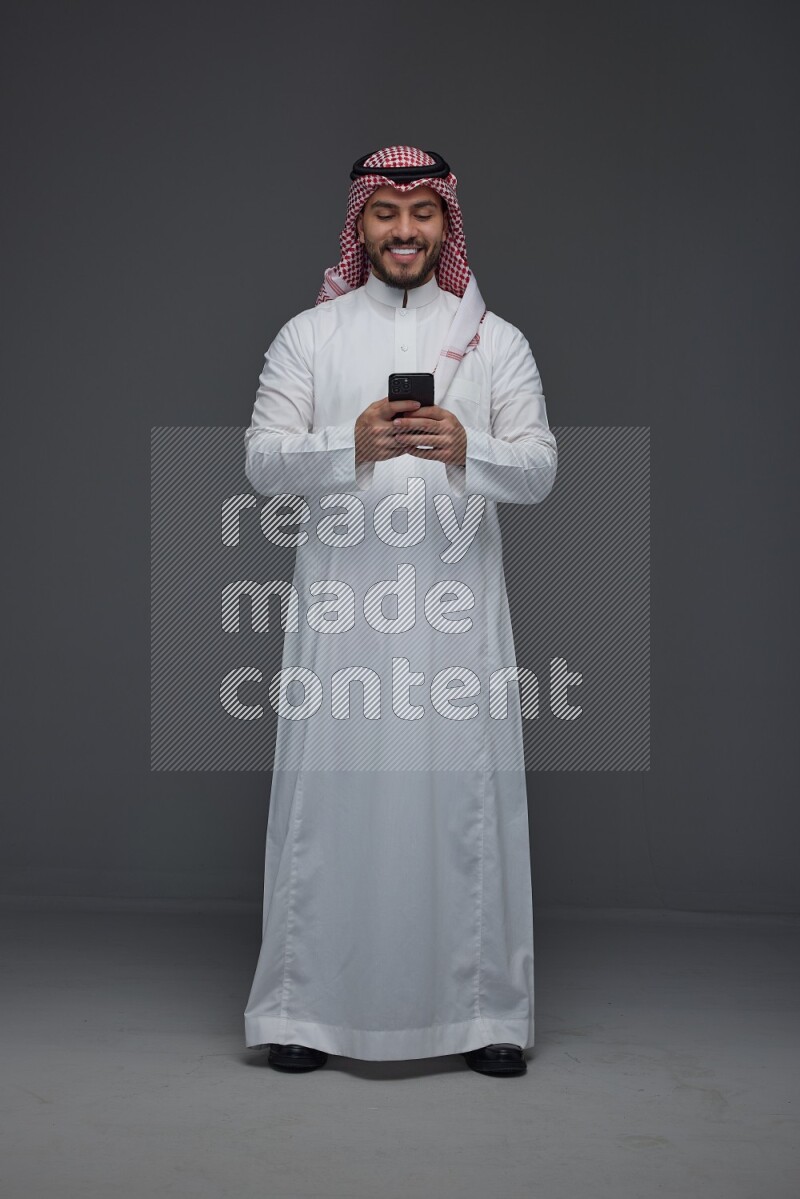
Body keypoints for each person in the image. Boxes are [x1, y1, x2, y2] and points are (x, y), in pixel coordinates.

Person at [243, 146, 557, 1077]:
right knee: (326, 803)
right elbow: (262, 462)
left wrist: (470, 448)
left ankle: (486, 1013)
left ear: (448, 224)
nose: (406, 229)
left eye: (423, 211)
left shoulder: (495, 342)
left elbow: (539, 468)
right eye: (386, 212)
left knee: (466, 797)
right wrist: (351, 446)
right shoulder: (310, 336)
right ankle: (302, 1011)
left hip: (457, 621)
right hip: (343, 615)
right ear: (361, 223)